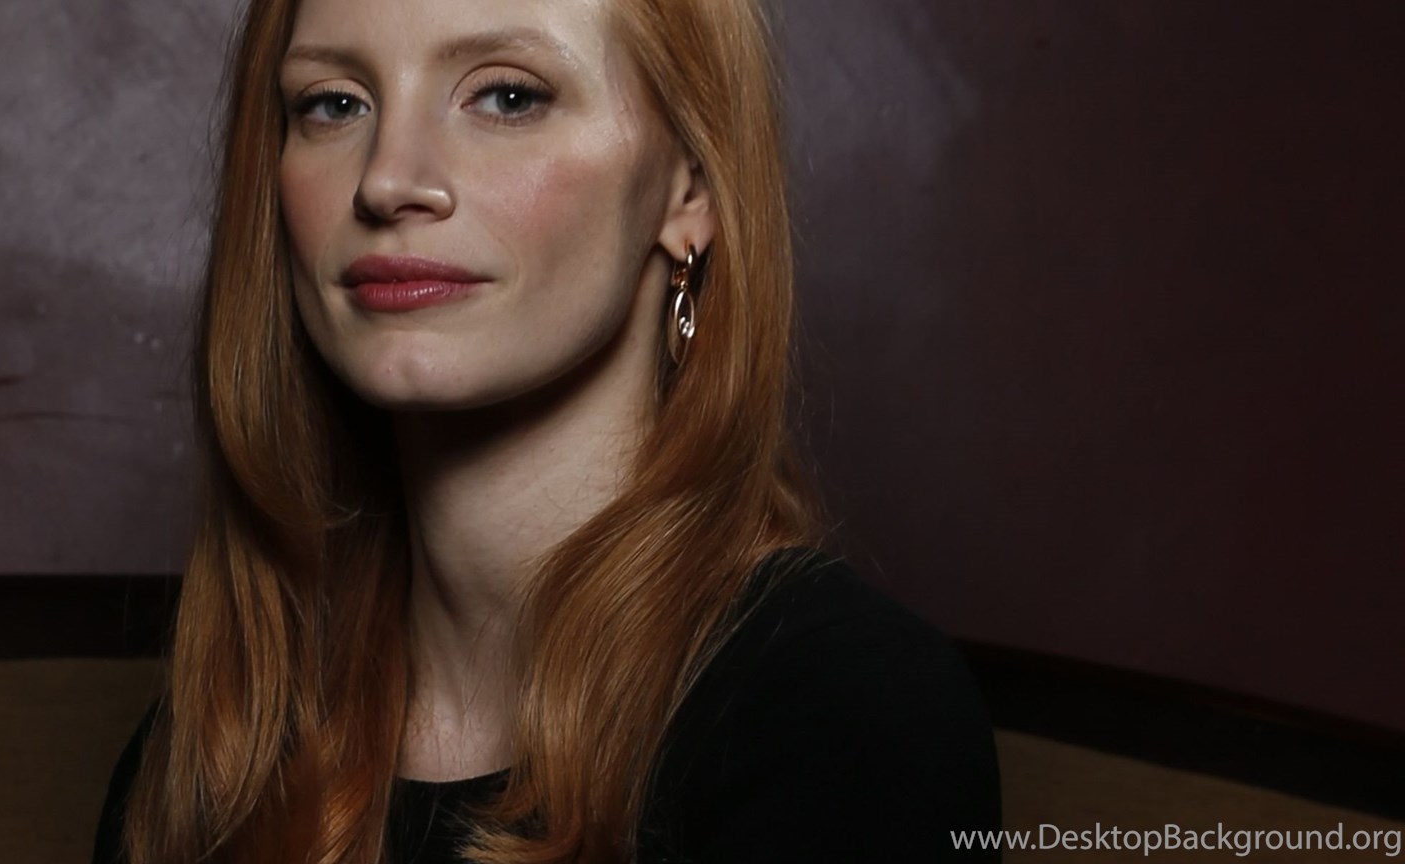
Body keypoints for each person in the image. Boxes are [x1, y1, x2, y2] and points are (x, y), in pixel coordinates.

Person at [91, 0, 1001, 859]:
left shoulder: (846, 714)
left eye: (507, 96)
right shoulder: (216, 754)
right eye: (334, 103)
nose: (388, 180)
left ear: (689, 183)